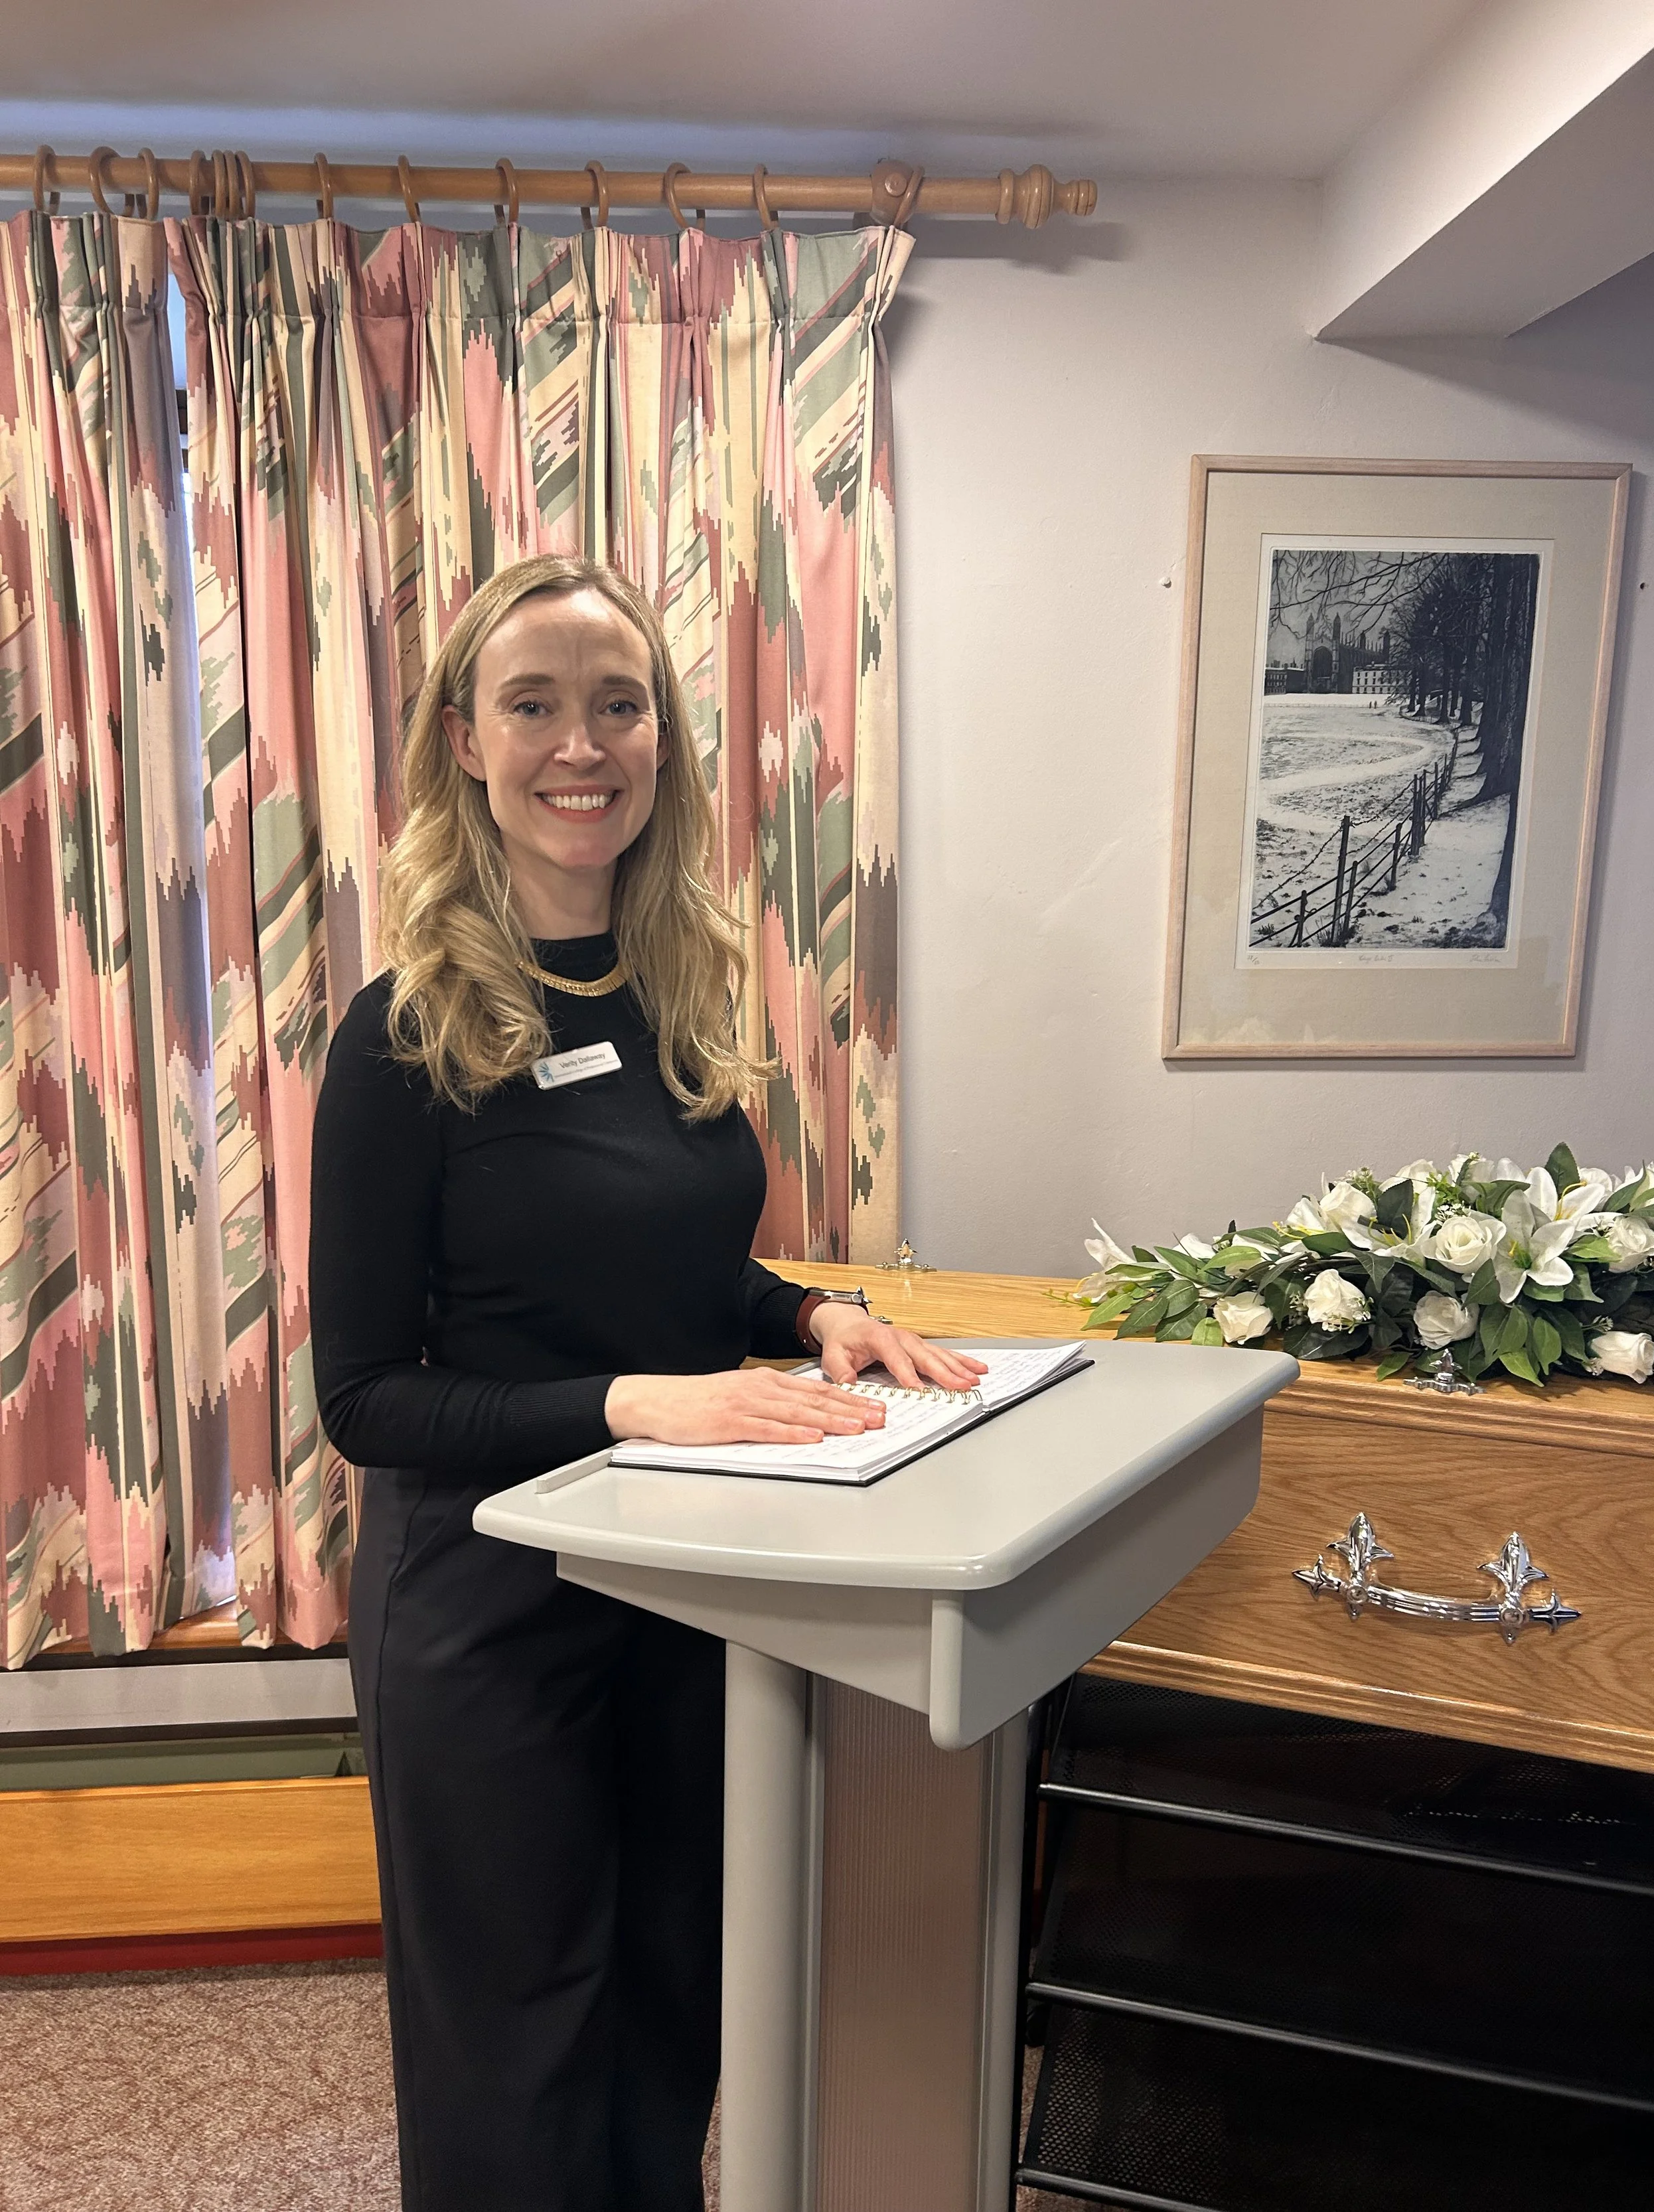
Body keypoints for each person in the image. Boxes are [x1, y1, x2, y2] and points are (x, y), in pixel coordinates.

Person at [309, 553, 982, 2212]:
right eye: (531, 703)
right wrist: (633, 1400)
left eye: (617, 704)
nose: (579, 743)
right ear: (463, 741)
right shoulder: (403, 1036)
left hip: (682, 1593)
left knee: (671, 2009)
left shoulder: (676, 992)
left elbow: (665, 1267)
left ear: (663, 741)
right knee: (519, 2050)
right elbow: (368, 1397)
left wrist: (807, 1312)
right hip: (487, 1608)